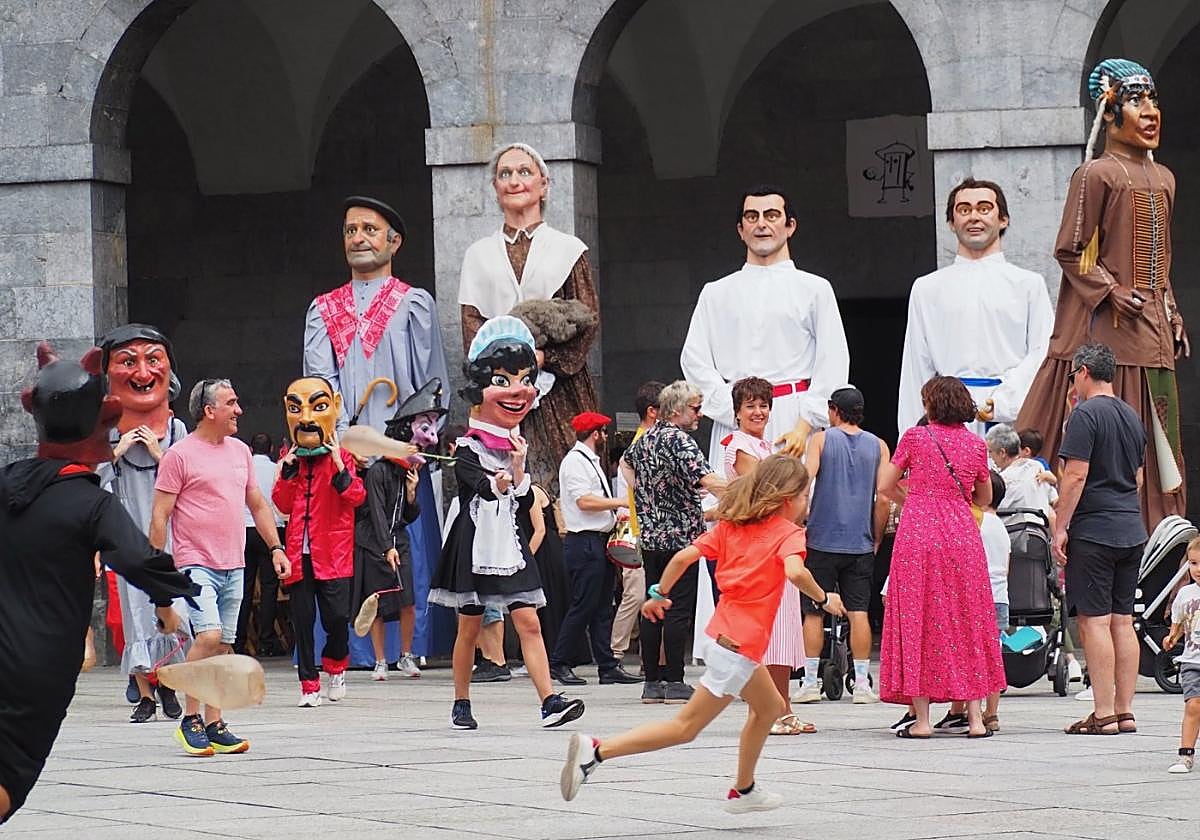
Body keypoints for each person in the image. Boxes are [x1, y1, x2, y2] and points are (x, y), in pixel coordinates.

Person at [560, 455, 845, 813]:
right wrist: (824, 598)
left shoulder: (730, 527)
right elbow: (796, 572)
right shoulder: (789, 534)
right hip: (736, 648)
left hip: (724, 637)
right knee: (685, 728)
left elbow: (682, 558)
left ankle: (744, 789)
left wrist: (658, 595)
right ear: (788, 499)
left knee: (770, 707)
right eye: (805, 497)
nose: (807, 505)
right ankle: (597, 751)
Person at [0, 343, 198, 823]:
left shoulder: (7, 483)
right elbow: (140, 560)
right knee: (10, 774)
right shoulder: (91, 502)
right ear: (101, 420)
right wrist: (170, 603)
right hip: (38, 663)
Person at [1018, 59, 1189, 527]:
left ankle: (1162, 533)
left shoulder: (1166, 178)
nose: (1150, 112)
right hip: (1109, 331)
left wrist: (1172, 311)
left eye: (1153, 100)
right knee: (1113, 430)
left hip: (1154, 330)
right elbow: (1070, 251)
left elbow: (1162, 261)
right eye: (1136, 101)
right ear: (1110, 113)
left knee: (1162, 444)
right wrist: (1110, 291)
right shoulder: (1096, 174)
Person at [304, 194, 449, 657]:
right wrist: (341, 438)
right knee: (342, 548)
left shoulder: (413, 304)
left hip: (400, 446)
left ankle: (414, 645)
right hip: (344, 451)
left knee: (407, 548)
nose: (359, 238)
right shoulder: (323, 309)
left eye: (369, 229)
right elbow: (317, 384)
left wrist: (413, 440)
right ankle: (349, 648)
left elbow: (431, 382)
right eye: (351, 230)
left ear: (394, 241)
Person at [429, 316, 585, 730]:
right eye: (502, 379)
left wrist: (516, 472)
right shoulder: (467, 445)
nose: (517, 391)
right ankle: (461, 701)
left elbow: (519, 498)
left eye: (523, 379)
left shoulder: (516, 443)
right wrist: (498, 479)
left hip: (509, 543)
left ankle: (549, 700)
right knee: (469, 628)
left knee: (529, 620)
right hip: (477, 543)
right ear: (479, 390)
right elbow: (476, 486)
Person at [151, 379, 290, 756]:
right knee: (209, 636)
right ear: (209, 411)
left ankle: (214, 722)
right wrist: (156, 568)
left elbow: (258, 505)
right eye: (231, 403)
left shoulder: (240, 452)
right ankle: (190, 718)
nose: (239, 410)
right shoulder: (179, 456)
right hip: (195, 562)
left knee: (225, 643)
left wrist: (276, 547)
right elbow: (161, 514)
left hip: (235, 562)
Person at [459, 142, 600, 490]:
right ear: (495, 187)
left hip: (560, 390)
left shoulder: (568, 249)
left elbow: (587, 318)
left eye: (524, 172)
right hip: (501, 393)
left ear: (544, 183)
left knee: (567, 482)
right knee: (505, 482)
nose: (514, 180)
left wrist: (544, 358)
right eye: (504, 174)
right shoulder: (478, 255)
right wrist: (502, 370)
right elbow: (472, 325)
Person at [681, 184, 849, 467]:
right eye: (751, 217)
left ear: (790, 225)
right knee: (735, 507)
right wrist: (734, 408)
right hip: (734, 418)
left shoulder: (815, 288)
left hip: (794, 422)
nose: (761, 224)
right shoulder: (716, 292)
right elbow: (693, 359)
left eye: (771, 215)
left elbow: (833, 360)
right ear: (740, 229)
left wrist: (805, 424)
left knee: (796, 506)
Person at [877, 376, 1007, 738]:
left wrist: (915, 502)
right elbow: (982, 497)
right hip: (962, 536)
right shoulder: (976, 444)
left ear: (931, 405)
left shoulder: (916, 438)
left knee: (918, 616)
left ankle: (921, 721)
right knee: (968, 618)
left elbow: (885, 485)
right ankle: (976, 718)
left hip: (918, 536)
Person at [898, 178, 1053, 434]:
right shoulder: (927, 288)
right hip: (945, 419)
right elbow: (916, 367)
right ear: (951, 222)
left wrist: (1003, 401)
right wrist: (912, 437)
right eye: (964, 210)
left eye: (984, 208)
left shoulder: (1028, 284)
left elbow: (1042, 353)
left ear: (1003, 219)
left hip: (1009, 419)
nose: (974, 217)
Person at [95, 324, 191, 723]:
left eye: (153, 360)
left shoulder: (176, 430)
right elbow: (92, 481)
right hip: (126, 531)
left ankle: (169, 685)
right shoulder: (102, 432)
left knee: (172, 608)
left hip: (168, 533)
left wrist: (157, 453)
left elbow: (187, 479)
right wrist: (116, 450)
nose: (142, 373)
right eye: (128, 362)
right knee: (135, 613)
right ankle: (146, 693)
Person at [1054, 343, 1147, 736]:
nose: (1073, 381)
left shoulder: (1085, 414)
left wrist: (1060, 526)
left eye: (1074, 374)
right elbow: (1139, 479)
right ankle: (1125, 710)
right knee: (1123, 621)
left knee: (1095, 621)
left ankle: (1104, 712)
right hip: (1131, 527)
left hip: (1095, 529)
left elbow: (1075, 476)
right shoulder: (1131, 415)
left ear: (1085, 372)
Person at [622, 381, 727, 704]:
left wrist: (647, 493)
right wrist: (747, 497)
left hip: (652, 536)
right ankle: (676, 680)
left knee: (654, 604)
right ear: (677, 410)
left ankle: (652, 682)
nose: (700, 414)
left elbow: (626, 465)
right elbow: (709, 480)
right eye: (695, 408)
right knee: (679, 608)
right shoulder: (681, 441)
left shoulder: (646, 438)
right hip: (682, 538)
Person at [716, 377, 806, 735]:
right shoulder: (738, 445)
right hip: (757, 550)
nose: (758, 412)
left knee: (783, 633)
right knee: (766, 635)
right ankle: (767, 711)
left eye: (763, 405)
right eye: (750, 406)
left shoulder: (765, 445)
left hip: (777, 543)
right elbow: (765, 493)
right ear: (737, 412)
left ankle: (783, 708)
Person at [272, 376, 367, 707]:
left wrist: (339, 461)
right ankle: (309, 685)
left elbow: (356, 496)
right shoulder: (292, 457)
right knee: (302, 620)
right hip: (300, 553)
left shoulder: (345, 457)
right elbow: (282, 504)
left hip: (334, 553)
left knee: (337, 618)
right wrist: (286, 470)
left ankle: (336, 666)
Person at [795, 386, 890, 706]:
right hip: (859, 542)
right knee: (859, 611)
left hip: (820, 539)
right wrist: (876, 535)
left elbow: (804, 484)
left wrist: (797, 524)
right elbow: (884, 498)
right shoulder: (879, 446)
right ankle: (862, 684)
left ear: (834, 410)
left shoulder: (820, 440)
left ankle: (810, 682)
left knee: (813, 611)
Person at [355, 380, 444, 681]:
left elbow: (409, 515)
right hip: (374, 543)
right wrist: (385, 547)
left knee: (408, 600)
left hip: (399, 540)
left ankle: (406, 656)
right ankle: (380, 660)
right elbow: (377, 514)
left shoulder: (408, 472)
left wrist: (411, 493)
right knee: (377, 602)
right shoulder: (378, 470)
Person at [550, 412, 640, 686]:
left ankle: (607, 665)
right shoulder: (575, 462)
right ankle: (559, 662)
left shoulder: (590, 462)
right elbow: (584, 502)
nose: (605, 436)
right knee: (584, 604)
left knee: (602, 606)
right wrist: (619, 503)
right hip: (584, 541)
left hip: (596, 542)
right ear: (595, 433)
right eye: (603, 431)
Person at [610, 381, 662, 663]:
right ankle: (616, 649)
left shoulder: (647, 441)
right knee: (636, 593)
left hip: (646, 528)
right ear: (653, 411)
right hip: (637, 529)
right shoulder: (641, 444)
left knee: (649, 594)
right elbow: (627, 493)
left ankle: (648, 658)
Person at [235, 433, 286, 657]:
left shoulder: (242, 468)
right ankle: (267, 639)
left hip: (243, 530)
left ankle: (238, 640)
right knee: (269, 588)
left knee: (243, 588)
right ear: (272, 448)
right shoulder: (278, 468)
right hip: (270, 530)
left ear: (250, 448)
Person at [1164, 539, 1200, 773]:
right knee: (1193, 706)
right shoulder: (1185, 594)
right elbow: (1177, 624)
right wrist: (1171, 638)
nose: (1198, 569)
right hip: (1192, 661)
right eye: (1194, 563)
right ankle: (1185, 755)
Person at [979, 470, 1010, 732]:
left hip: (980, 595)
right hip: (1001, 597)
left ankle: (972, 710)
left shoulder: (977, 522)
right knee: (993, 654)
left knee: (974, 653)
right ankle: (992, 712)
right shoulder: (1001, 527)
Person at [985, 424, 1057, 524]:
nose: (989, 457)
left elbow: (990, 511)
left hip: (1013, 534)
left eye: (990, 452)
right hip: (1040, 533)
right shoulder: (1038, 467)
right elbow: (1054, 499)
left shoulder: (1003, 480)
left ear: (1002, 453)